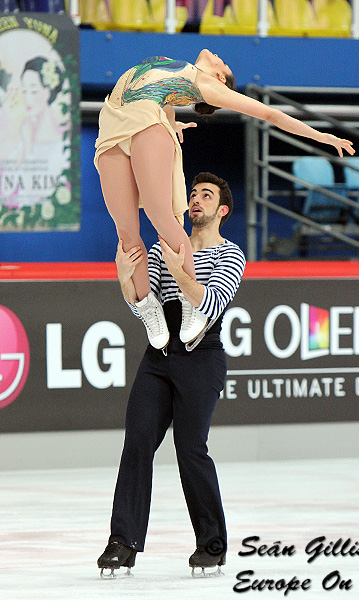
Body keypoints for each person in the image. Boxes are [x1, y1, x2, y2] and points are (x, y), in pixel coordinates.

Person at [94, 50, 355, 351]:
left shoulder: (209, 86)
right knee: (125, 231)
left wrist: (321, 137)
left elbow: (269, 114)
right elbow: (160, 94)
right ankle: (148, 310)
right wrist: (172, 122)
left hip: (145, 127)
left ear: (221, 79)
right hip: (112, 122)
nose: (219, 56)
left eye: (225, 65)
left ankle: (191, 302)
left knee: (160, 216)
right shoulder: (183, 76)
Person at [97, 171, 246, 578]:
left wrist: (183, 269)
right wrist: (127, 282)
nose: (196, 199)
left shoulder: (231, 254)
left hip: (202, 352)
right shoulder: (163, 250)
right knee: (138, 442)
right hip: (160, 353)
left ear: (222, 210)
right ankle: (122, 543)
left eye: (206, 195)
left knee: (190, 448)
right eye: (193, 193)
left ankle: (212, 544)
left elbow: (210, 303)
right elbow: (152, 309)